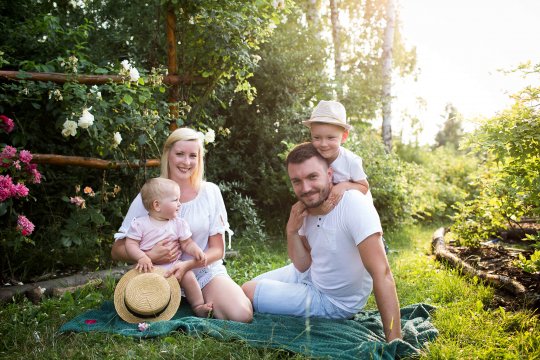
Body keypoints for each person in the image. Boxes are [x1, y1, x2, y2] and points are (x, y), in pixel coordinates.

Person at [241, 142, 402, 342]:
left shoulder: (353, 204)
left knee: (247, 293)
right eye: (296, 181)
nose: (305, 188)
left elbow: (382, 273)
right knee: (244, 289)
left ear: (329, 174)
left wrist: (395, 340)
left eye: (312, 177)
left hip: (333, 301)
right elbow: (302, 265)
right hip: (309, 275)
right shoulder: (305, 209)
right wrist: (291, 231)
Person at [112, 127, 253, 323]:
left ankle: (245, 289)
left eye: (192, 156)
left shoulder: (210, 192)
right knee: (140, 309)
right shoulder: (151, 195)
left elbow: (218, 250)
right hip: (159, 273)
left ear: (199, 159)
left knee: (241, 315)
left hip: (202, 272)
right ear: (167, 154)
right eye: (180, 154)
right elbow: (117, 249)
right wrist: (150, 256)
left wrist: (187, 265)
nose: (186, 162)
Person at [124, 177, 212, 317]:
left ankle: (198, 305)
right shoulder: (140, 224)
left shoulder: (178, 223)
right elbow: (130, 244)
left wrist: (196, 250)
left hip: (173, 266)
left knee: (188, 276)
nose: (179, 204)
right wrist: (142, 256)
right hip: (148, 267)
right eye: (175, 200)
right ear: (157, 205)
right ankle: (147, 308)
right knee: (139, 284)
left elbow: (187, 243)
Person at [302, 100, 370, 208]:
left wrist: (344, 185)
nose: (323, 144)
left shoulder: (351, 161)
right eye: (317, 138)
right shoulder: (313, 157)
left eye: (330, 138)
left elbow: (364, 188)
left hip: (351, 209)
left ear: (344, 136)